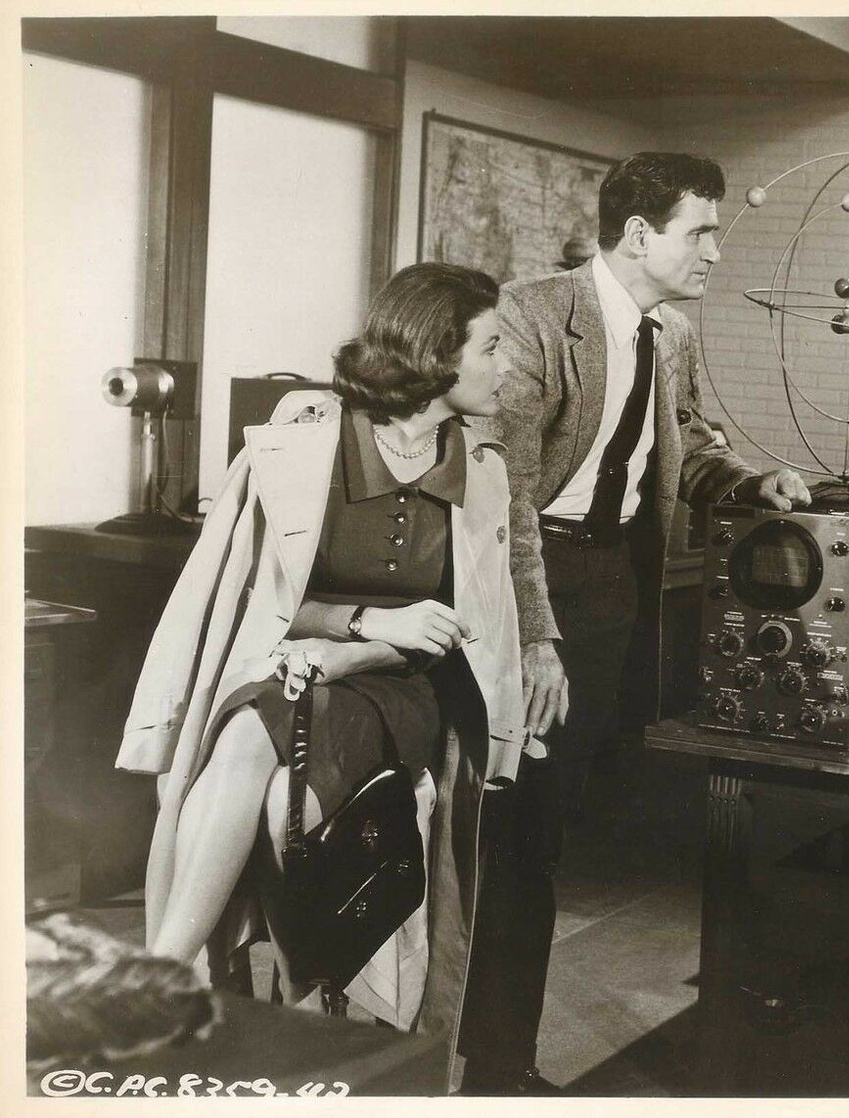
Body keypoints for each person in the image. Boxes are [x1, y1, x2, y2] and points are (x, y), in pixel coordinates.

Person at [117, 263, 533, 1086]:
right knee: (261, 764)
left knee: (265, 761)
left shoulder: (482, 472)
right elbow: (258, 599)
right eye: (491, 346)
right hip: (287, 669)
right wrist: (361, 622)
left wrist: (359, 650)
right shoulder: (310, 443)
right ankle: (183, 988)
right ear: (436, 352)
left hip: (404, 689)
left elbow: (463, 633)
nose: (506, 364)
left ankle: (170, 989)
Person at [455, 151, 810, 1094]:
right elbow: (505, 495)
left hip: (610, 583)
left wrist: (751, 484)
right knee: (504, 832)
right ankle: (481, 1067)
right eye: (702, 232)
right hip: (522, 579)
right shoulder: (533, 316)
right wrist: (537, 636)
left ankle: (496, 1062)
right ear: (641, 234)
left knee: (541, 833)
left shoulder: (673, 334)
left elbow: (685, 446)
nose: (715, 253)